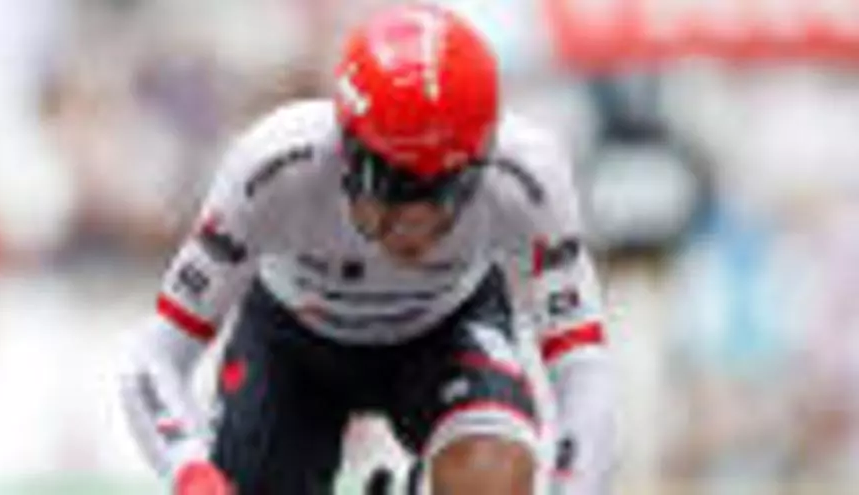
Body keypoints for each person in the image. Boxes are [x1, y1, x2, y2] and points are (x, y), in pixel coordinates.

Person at [119, 4, 616, 494]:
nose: (416, 225)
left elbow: (581, 364)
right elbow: (156, 355)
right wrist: (191, 474)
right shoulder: (272, 167)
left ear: (482, 160)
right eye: (394, 188)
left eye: (445, 193)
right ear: (347, 152)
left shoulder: (529, 175)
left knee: (491, 475)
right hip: (294, 343)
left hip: (447, 328)